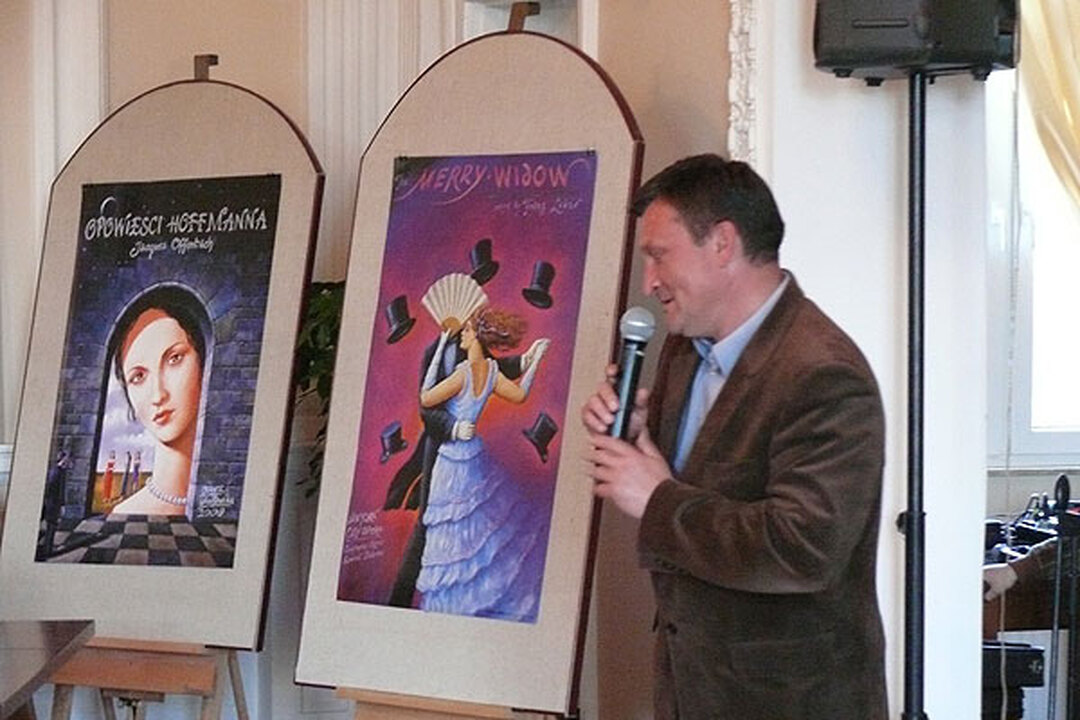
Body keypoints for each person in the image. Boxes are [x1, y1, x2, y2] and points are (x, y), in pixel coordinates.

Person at [581, 154, 888, 719]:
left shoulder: (824, 374)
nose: (648, 282)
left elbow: (803, 549)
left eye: (658, 255)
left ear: (723, 244)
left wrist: (656, 497)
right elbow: (698, 481)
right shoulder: (682, 347)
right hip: (691, 691)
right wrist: (638, 439)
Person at [384, 318, 545, 607]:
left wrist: (528, 360)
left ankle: (456, 603)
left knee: (455, 528)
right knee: (461, 526)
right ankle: (432, 602)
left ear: (477, 336)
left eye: (468, 331)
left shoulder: (469, 369)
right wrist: (533, 362)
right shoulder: (479, 366)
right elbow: (519, 393)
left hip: (453, 460)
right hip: (460, 449)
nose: (463, 335)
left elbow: (426, 397)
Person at [110, 288, 207, 515]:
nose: (158, 395)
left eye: (174, 359)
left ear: (202, 360)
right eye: (138, 377)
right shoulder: (124, 513)